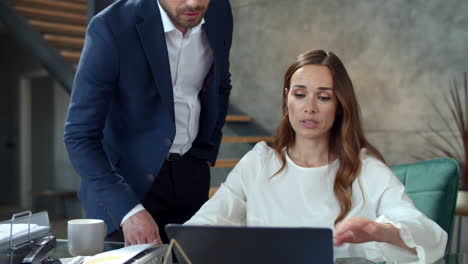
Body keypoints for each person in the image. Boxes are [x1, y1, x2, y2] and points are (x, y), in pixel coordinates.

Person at [186, 49, 447, 263]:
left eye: (323, 97)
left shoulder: (364, 167)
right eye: (299, 95)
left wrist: (377, 230)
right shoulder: (260, 162)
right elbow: (208, 222)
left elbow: (428, 235)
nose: (309, 108)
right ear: (287, 100)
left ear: (340, 106)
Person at [64, 0, 233, 246]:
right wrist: (128, 210)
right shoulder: (110, 27)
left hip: (191, 175)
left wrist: (205, 152)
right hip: (126, 188)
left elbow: (221, 84)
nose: (194, 3)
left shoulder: (218, 11)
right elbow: (79, 136)